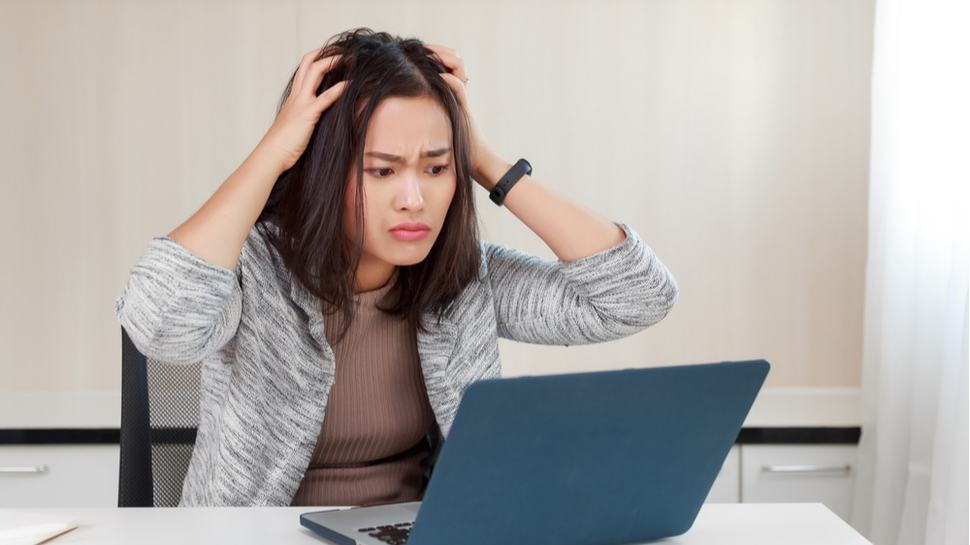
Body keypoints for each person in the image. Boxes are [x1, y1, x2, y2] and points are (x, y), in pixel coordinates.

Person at [115, 28, 678, 508]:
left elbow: (637, 297)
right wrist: (273, 152)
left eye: (436, 169)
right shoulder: (254, 269)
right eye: (381, 172)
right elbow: (160, 326)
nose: (414, 199)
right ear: (321, 171)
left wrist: (481, 158)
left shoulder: (461, 278)